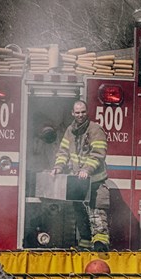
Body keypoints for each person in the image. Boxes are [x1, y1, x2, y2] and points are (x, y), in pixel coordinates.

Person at [51, 100, 110, 252]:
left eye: (83, 112)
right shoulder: (70, 131)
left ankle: (100, 246)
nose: (80, 115)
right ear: (73, 113)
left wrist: (87, 170)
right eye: (77, 112)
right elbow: (63, 152)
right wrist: (58, 167)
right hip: (78, 181)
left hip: (95, 180)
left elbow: (98, 153)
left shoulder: (95, 129)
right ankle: (84, 244)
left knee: (97, 211)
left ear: (87, 112)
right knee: (79, 211)